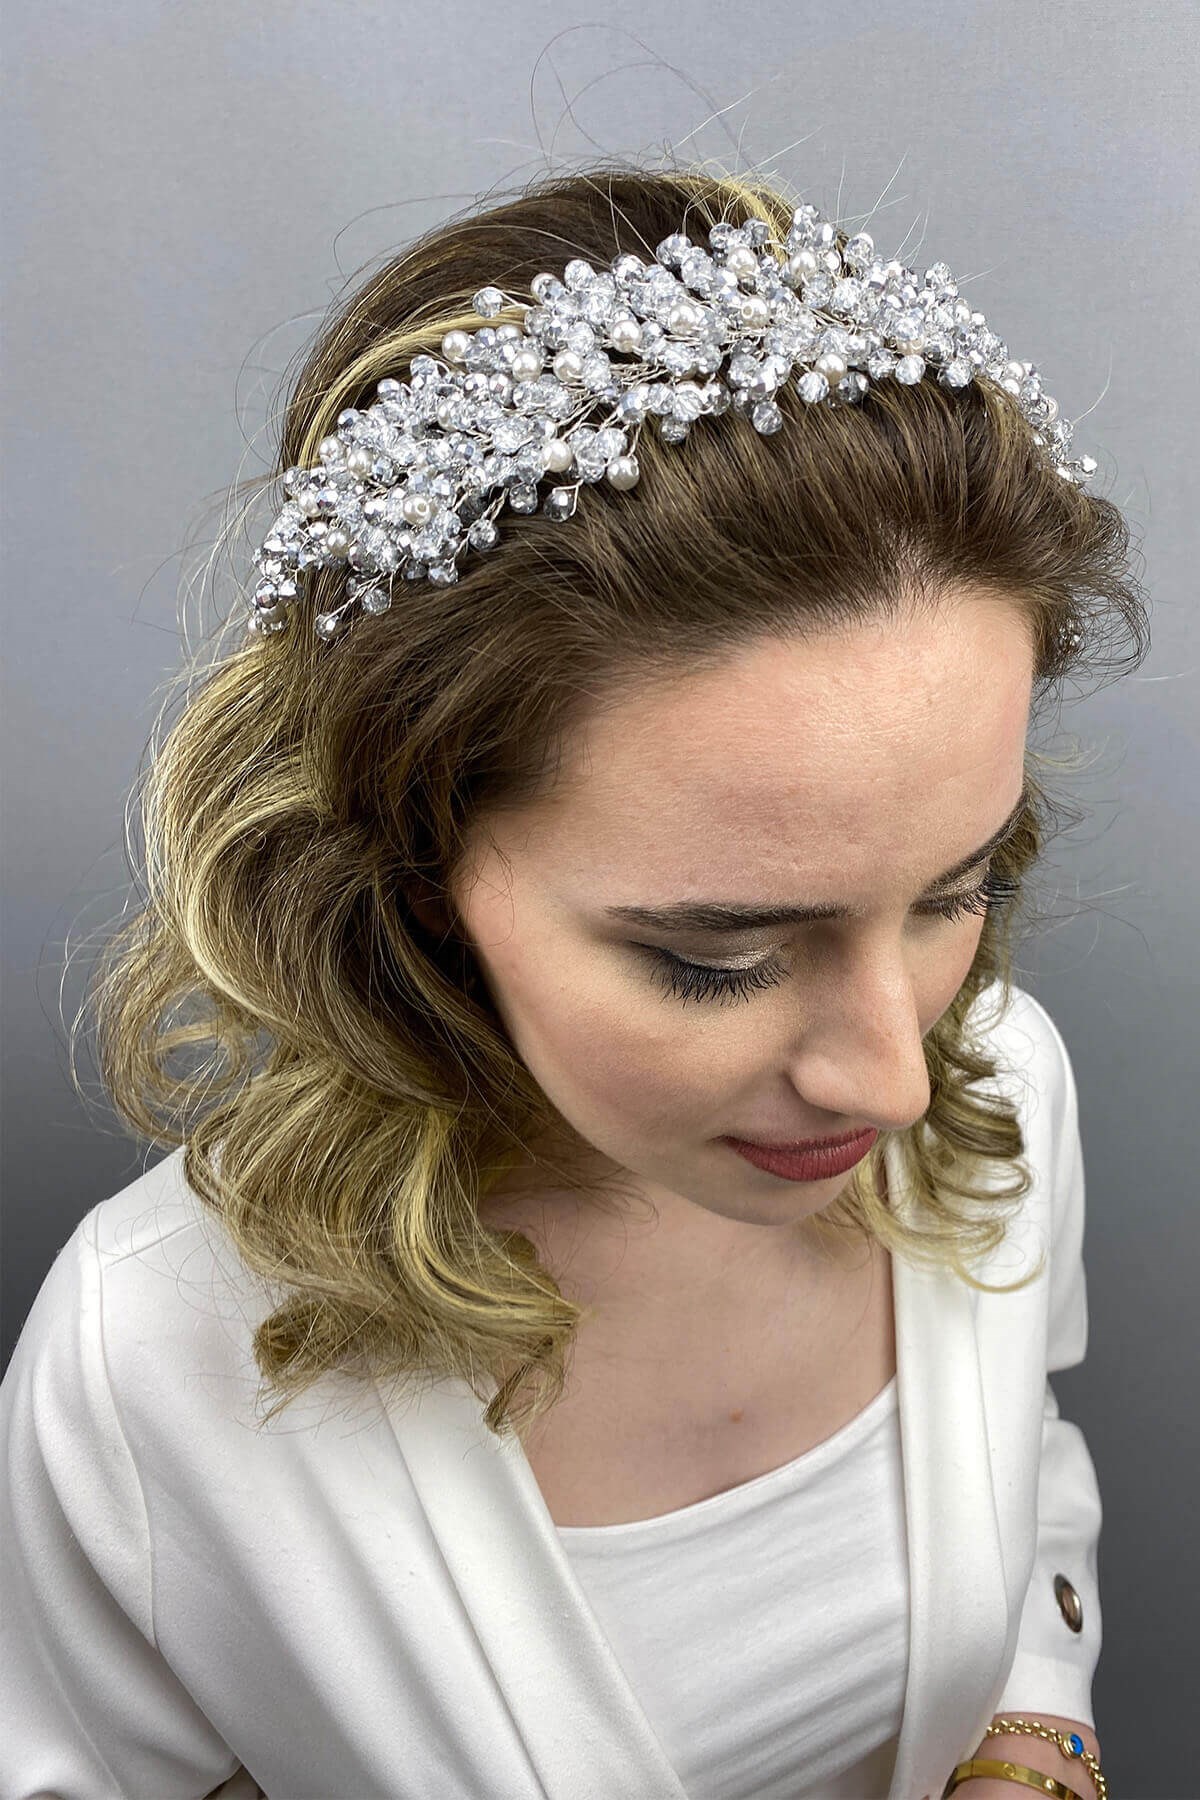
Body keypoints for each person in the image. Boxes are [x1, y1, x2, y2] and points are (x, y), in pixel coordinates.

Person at [1, 161, 1142, 1800]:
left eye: (958, 891)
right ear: (415, 866)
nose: (895, 1077)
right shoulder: (153, 1362)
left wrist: (1033, 1737)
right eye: (717, 957)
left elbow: (1027, 1474)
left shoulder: (1005, 1085)